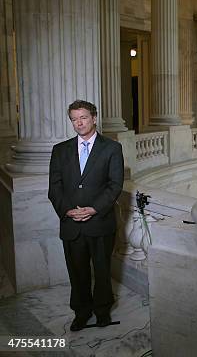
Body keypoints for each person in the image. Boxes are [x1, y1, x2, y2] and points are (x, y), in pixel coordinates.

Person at [48, 100, 124, 331]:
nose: (78, 123)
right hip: (71, 223)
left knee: (101, 271)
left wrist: (93, 209)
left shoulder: (111, 148)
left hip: (100, 222)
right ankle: (81, 312)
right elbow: (54, 187)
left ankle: (102, 311)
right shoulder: (60, 150)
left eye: (83, 117)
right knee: (77, 272)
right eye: (74, 119)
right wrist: (67, 211)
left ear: (94, 118)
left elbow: (115, 185)